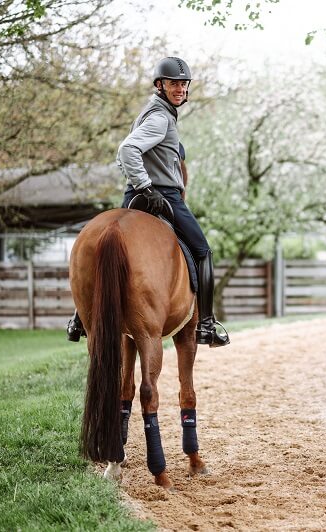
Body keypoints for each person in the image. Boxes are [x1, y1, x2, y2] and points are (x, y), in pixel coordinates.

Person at [67, 56, 229, 347]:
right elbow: (127, 150)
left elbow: (133, 155)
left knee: (109, 244)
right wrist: (148, 187)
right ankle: (206, 325)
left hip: (133, 195)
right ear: (160, 85)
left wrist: (138, 186)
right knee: (203, 251)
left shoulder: (150, 112)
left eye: (183, 84)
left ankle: (80, 317)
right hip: (162, 194)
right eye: (173, 84)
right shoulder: (160, 118)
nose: (179, 89)